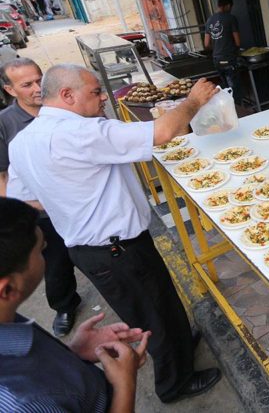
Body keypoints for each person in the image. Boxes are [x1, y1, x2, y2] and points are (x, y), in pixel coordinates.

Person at [7, 64, 222, 403]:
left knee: (158, 302)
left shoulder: (23, 142)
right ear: (67, 95)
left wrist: (67, 198)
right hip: (116, 248)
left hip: (92, 247)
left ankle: (180, 342)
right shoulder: (82, 133)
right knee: (154, 315)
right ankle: (174, 383)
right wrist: (193, 100)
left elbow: (23, 197)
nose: (103, 96)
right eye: (95, 92)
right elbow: (164, 131)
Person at [0, 196, 151, 412]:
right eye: (41, 251)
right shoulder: (23, 403)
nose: (47, 253)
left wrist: (73, 354)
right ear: (7, 290)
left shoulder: (4, 315)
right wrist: (125, 384)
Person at [0, 58, 81, 337]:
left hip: (80, 204)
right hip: (41, 213)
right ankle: (65, 306)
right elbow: (2, 178)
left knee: (95, 256)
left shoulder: (62, 106)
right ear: (10, 90)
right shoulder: (5, 124)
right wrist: (20, 216)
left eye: (39, 79)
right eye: (27, 84)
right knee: (55, 265)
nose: (37, 88)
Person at [204, 0, 242, 104]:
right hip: (229, 58)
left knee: (225, 87)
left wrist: (217, 46)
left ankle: (227, 110)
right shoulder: (231, 18)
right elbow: (238, 42)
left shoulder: (210, 20)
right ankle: (239, 112)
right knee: (235, 89)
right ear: (228, 5)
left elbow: (206, 44)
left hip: (216, 60)